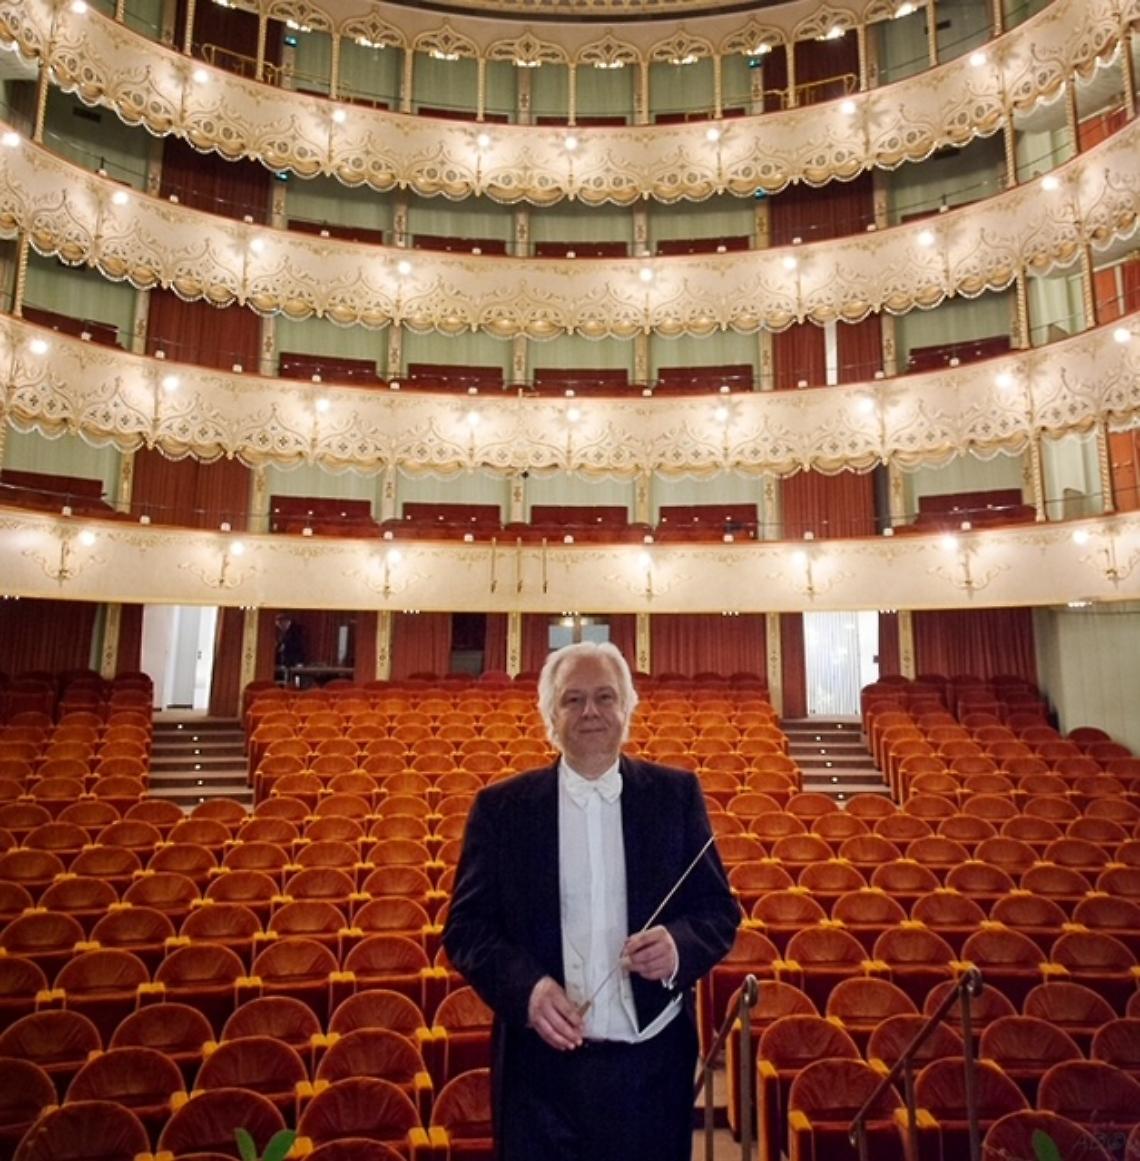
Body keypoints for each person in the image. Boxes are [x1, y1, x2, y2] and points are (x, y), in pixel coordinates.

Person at [443, 641, 740, 1161]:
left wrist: (677, 946)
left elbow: (718, 913)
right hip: (540, 1078)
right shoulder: (501, 810)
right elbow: (467, 928)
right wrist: (529, 992)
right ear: (549, 716)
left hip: (652, 1071)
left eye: (605, 697)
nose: (591, 712)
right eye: (572, 699)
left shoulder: (677, 796)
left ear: (627, 708)